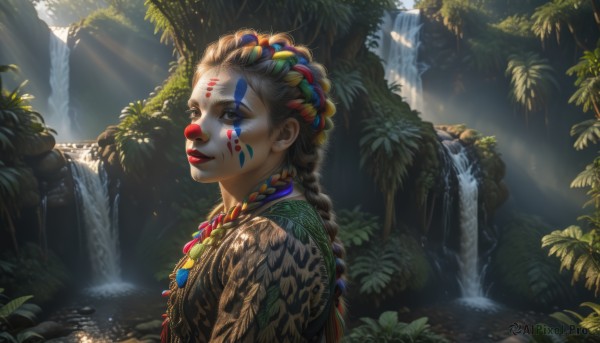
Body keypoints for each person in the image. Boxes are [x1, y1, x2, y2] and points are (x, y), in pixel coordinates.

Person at [161, 29, 347, 343]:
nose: (194, 129)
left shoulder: (274, 244)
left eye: (230, 114)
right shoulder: (243, 211)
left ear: (283, 134)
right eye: (195, 111)